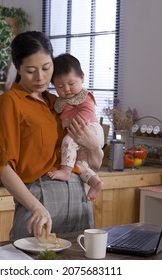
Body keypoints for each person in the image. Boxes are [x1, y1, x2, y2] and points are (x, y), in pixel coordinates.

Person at [0, 31, 104, 240]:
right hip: (40, 204)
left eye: (46, 68)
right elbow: (4, 167)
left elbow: (93, 165)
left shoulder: (59, 103)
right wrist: (37, 208)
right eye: (31, 70)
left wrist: (94, 146)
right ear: (18, 68)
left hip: (79, 200)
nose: (40, 77)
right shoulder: (11, 102)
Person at [47, 54, 105, 201]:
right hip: (81, 135)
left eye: (71, 83)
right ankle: (95, 182)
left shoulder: (85, 97)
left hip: (89, 128)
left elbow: (86, 114)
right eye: (60, 86)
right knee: (80, 165)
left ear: (82, 78)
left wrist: (68, 122)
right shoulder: (60, 101)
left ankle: (65, 171)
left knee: (68, 141)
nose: (66, 89)